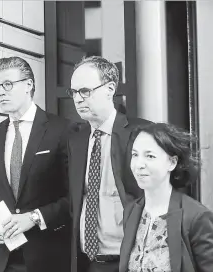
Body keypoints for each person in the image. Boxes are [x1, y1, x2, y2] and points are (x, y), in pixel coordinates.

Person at [0, 56, 71, 272]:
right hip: (4, 259)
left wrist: (35, 217)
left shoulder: (63, 130)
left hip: (50, 257)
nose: (1, 91)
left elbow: (75, 197)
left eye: (7, 84)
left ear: (29, 84)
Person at [66, 56, 151, 272]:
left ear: (110, 88)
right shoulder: (75, 139)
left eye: (85, 91)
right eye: (73, 92)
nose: (78, 99)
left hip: (132, 260)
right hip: (87, 261)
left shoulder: (142, 133)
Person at [119, 123, 213, 272]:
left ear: (172, 163)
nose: (139, 164)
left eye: (150, 156)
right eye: (135, 155)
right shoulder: (131, 211)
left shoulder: (197, 217)